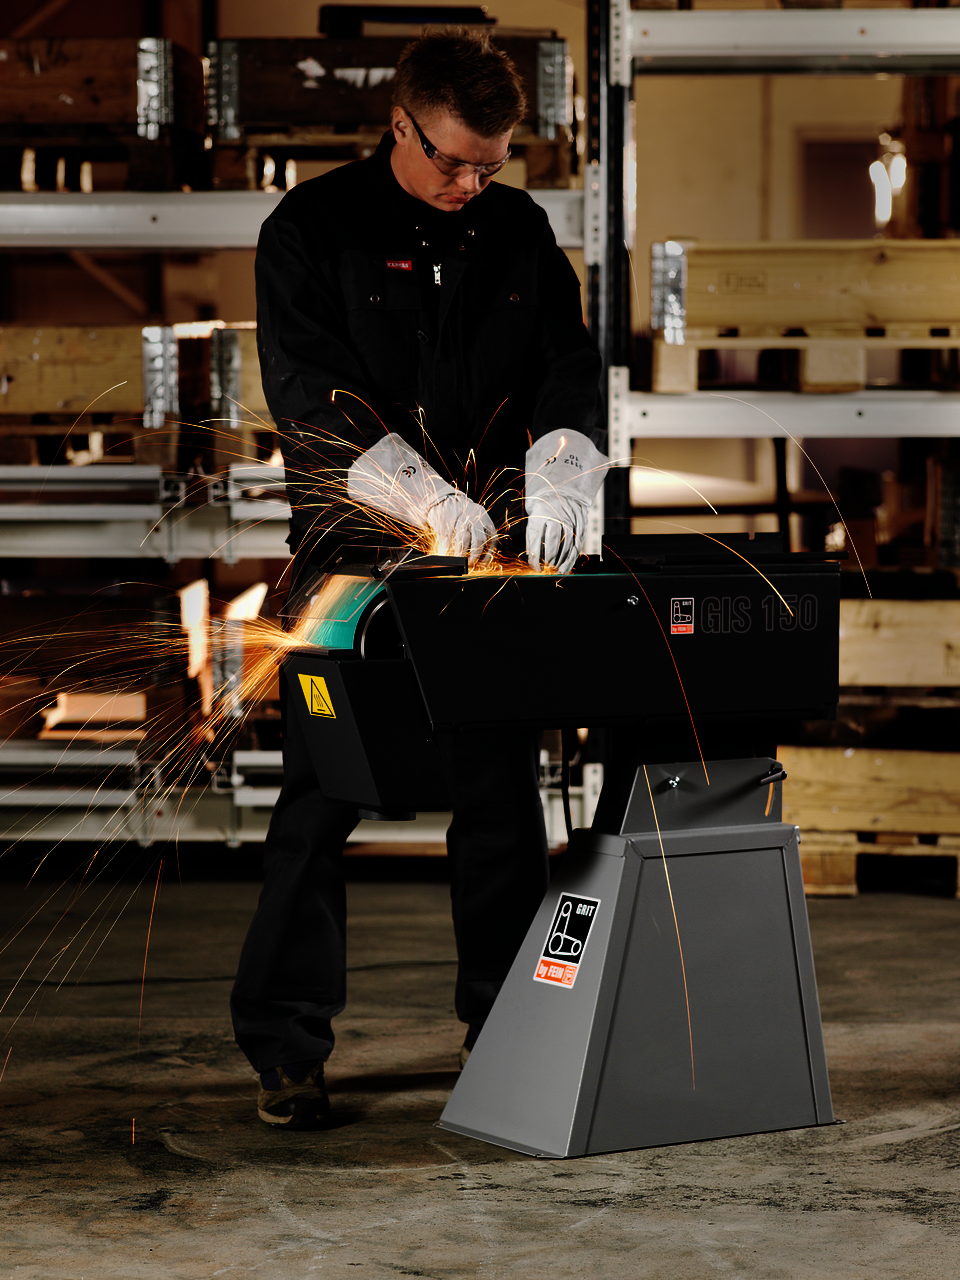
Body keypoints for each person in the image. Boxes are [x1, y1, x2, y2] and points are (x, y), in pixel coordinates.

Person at [230, 27, 607, 1130]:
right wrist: (417, 496)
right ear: (399, 124)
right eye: (451, 161)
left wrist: (562, 461)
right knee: (319, 805)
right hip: (352, 562)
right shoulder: (311, 229)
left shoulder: (517, 227)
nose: (470, 184)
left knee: (500, 802)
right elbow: (310, 394)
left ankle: (506, 1028)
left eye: (491, 163)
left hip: (483, 565)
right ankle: (285, 1047)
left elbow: (565, 361)